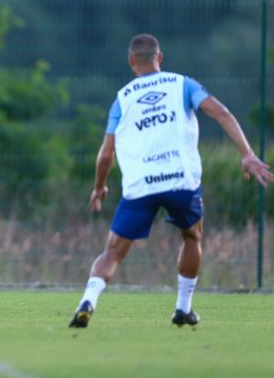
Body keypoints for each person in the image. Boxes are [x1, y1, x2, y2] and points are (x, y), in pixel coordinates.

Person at [69, 33, 274, 328]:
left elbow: (105, 154)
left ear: (131, 62)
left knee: (113, 250)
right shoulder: (183, 84)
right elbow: (221, 112)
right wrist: (247, 153)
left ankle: (88, 300)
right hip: (180, 181)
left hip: (141, 185)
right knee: (192, 237)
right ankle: (182, 309)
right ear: (160, 57)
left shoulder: (122, 99)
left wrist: (99, 187)